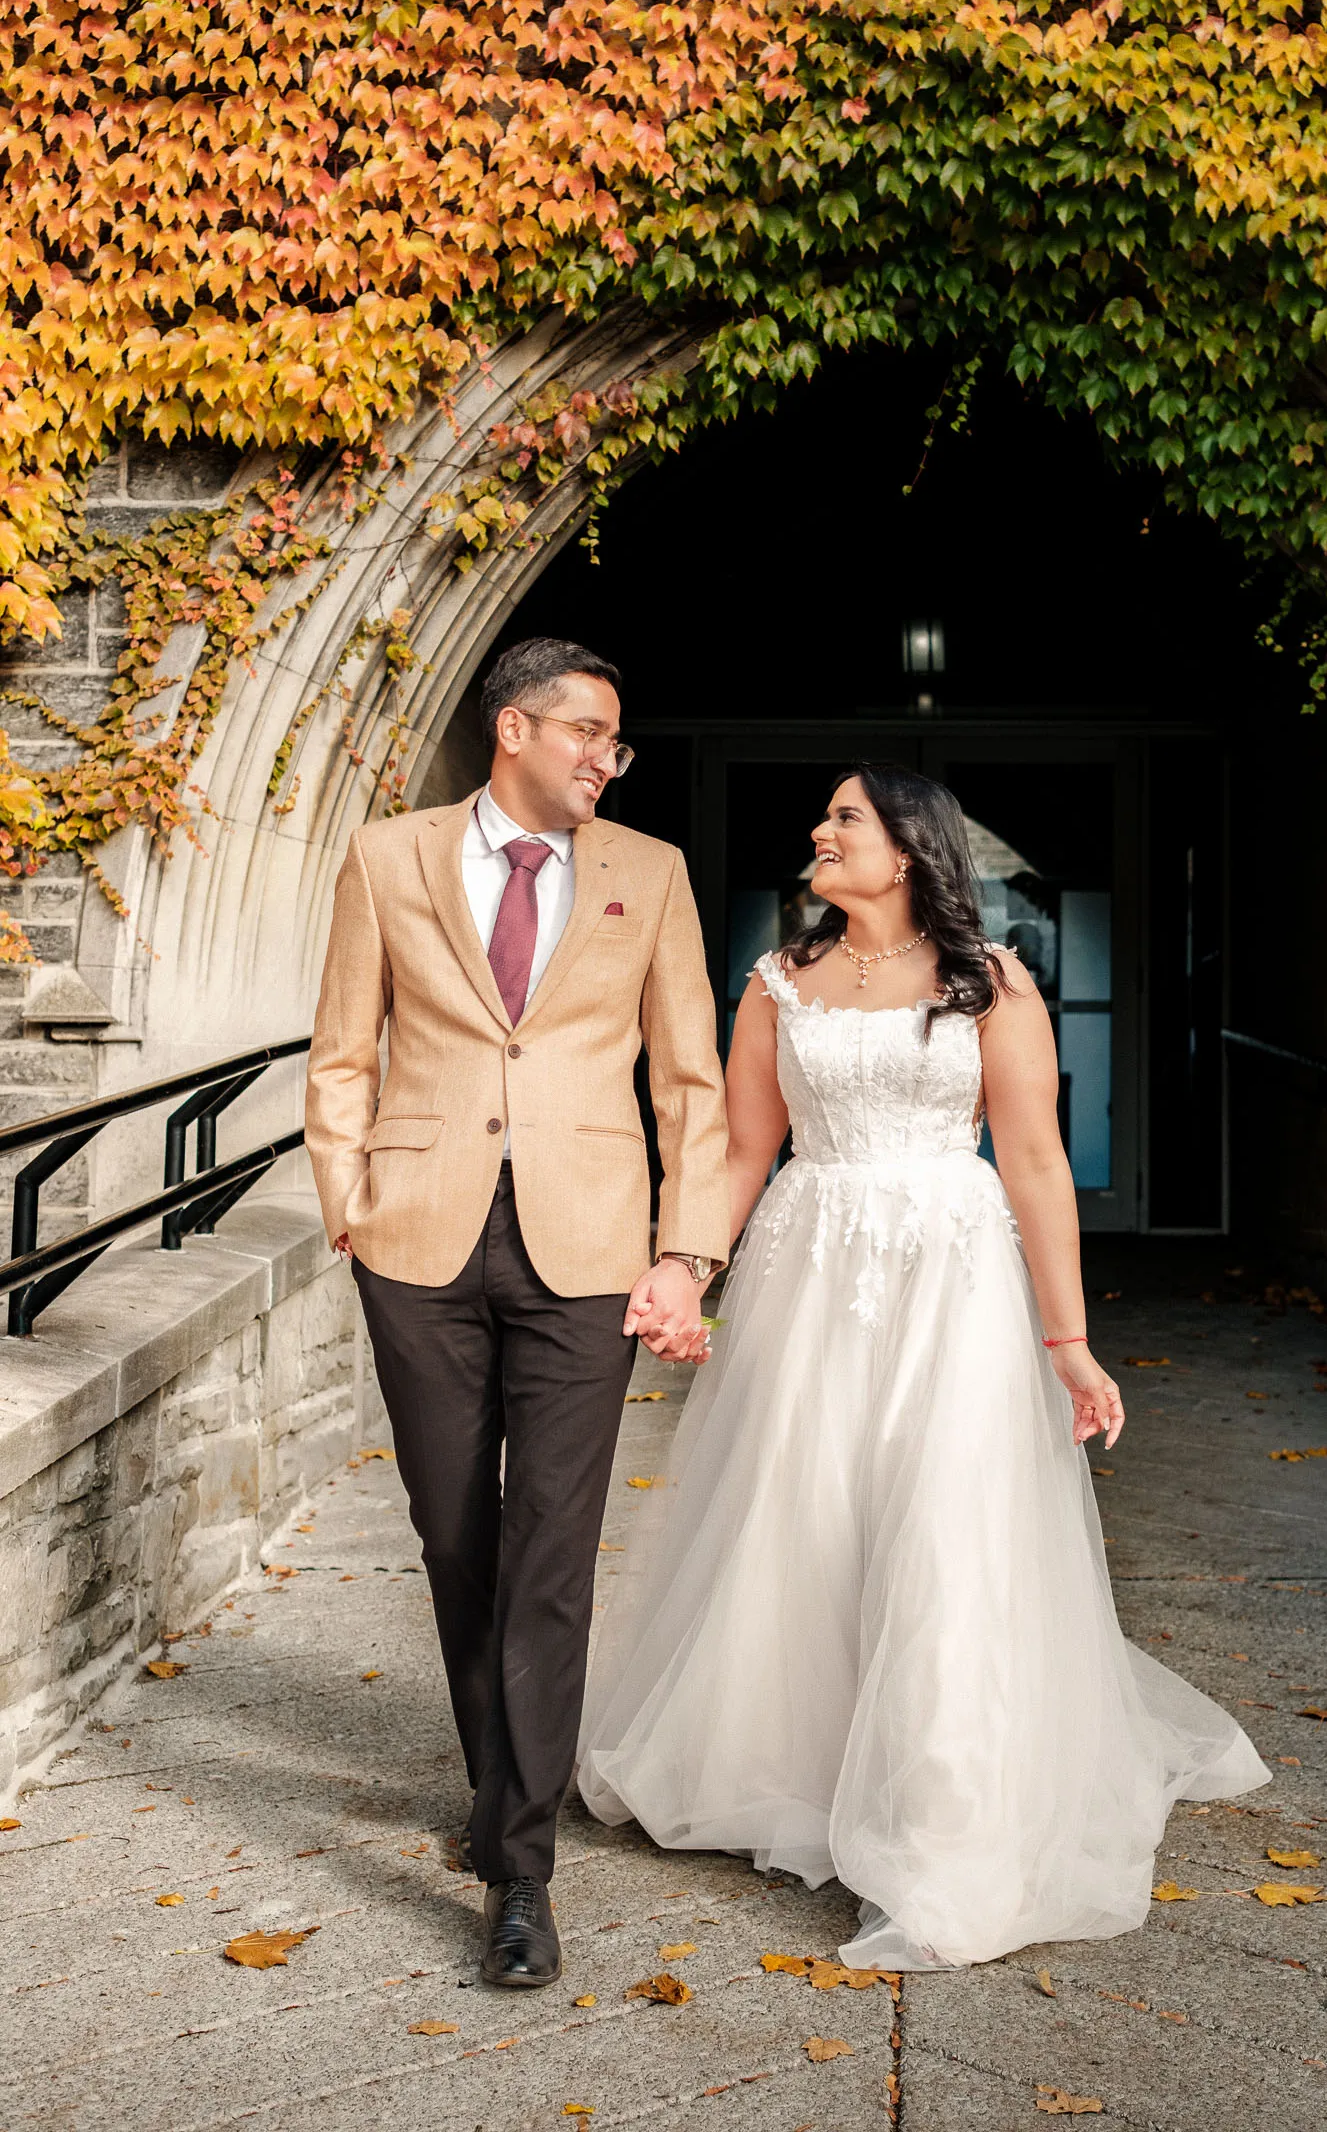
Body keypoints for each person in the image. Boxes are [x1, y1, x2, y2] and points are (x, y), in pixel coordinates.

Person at [578, 763, 1268, 1969]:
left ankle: (939, 1807)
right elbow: (744, 1153)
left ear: (907, 849)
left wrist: (1068, 1342)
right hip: (809, 1270)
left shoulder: (990, 984)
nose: (819, 831)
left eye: (844, 816)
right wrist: (684, 1266)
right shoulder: (776, 987)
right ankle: (795, 1762)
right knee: (806, 1515)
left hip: (950, 1275)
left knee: (939, 1522)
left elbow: (1039, 1164)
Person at [305, 636, 729, 1990]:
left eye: (617, 739)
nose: (609, 757)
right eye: (589, 732)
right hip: (418, 1237)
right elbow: (343, 1051)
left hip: (589, 1248)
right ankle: (504, 1795)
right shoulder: (389, 857)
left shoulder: (650, 876)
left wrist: (686, 1253)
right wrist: (348, 1206)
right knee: (454, 1535)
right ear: (514, 729)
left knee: (552, 1547)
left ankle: (520, 1869)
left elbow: (691, 1083)